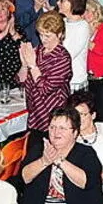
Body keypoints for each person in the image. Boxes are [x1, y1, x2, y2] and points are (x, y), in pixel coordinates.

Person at [20, 107, 103, 204]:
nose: (56, 132)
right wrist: (44, 161)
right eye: (52, 127)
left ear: (75, 133)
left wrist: (60, 160)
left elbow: (86, 181)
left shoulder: (86, 154)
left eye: (62, 128)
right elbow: (24, 177)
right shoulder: (40, 149)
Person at [19, 10, 73, 142]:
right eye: (41, 35)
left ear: (60, 34)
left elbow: (45, 88)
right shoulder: (38, 51)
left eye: (48, 36)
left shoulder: (62, 57)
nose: (43, 40)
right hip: (34, 114)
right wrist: (24, 64)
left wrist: (33, 66)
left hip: (53, 115)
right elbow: (21, 81)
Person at [57, 0, 91, 92]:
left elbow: (68, 54)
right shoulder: (62, 21)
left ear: (73, 3)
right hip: (61, 80)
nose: (58, 3)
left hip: (75, 81)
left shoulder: (82, 26)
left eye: (62, 0)